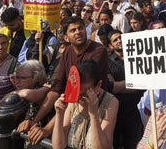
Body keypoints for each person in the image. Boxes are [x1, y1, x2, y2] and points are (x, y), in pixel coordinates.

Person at [24, 16, 109, 144]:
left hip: (96, 106)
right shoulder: (67, 52)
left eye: (80, 28)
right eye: (73, 30)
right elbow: (57, 89)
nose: (78, 32)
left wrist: (47, 129)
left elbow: (79, 90)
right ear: (65, 37)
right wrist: (34, 121)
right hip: (72, 106)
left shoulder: (99, 51)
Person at [52, 60, 119, 149]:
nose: (79, 99)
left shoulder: (110, 102)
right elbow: (58, 146)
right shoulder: (74, 100)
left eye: (84, 94)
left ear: (98, 85)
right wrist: (59, 114)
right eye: (77, 93)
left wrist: (94, 114)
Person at [107, 29, 145, 149]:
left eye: (120, 37)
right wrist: (135, 83)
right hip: (116, 112)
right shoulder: (107, 62)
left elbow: (142, 83)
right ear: (110, 45)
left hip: (135, 111)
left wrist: (120, 86)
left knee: (134, 144)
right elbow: (112, 87)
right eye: (115, 40)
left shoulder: (137, 56)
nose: (119, 41)